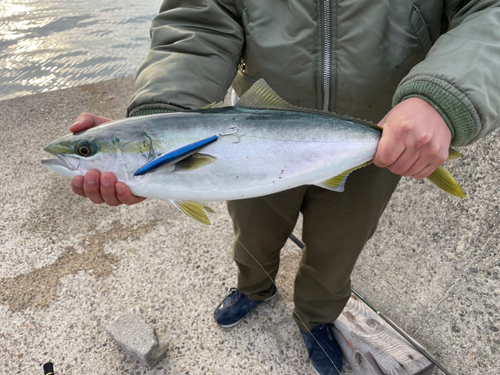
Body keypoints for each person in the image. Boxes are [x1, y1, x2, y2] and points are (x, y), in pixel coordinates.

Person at [69, 1, 500, 374]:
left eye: (85, 152)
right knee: (252, 235)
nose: (78, 156)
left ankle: (316, 318)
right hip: (247, 145)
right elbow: (199, 19)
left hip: (380, 138)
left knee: (337, 252)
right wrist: (163, 118)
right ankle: (254, 287)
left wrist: (445, 97)